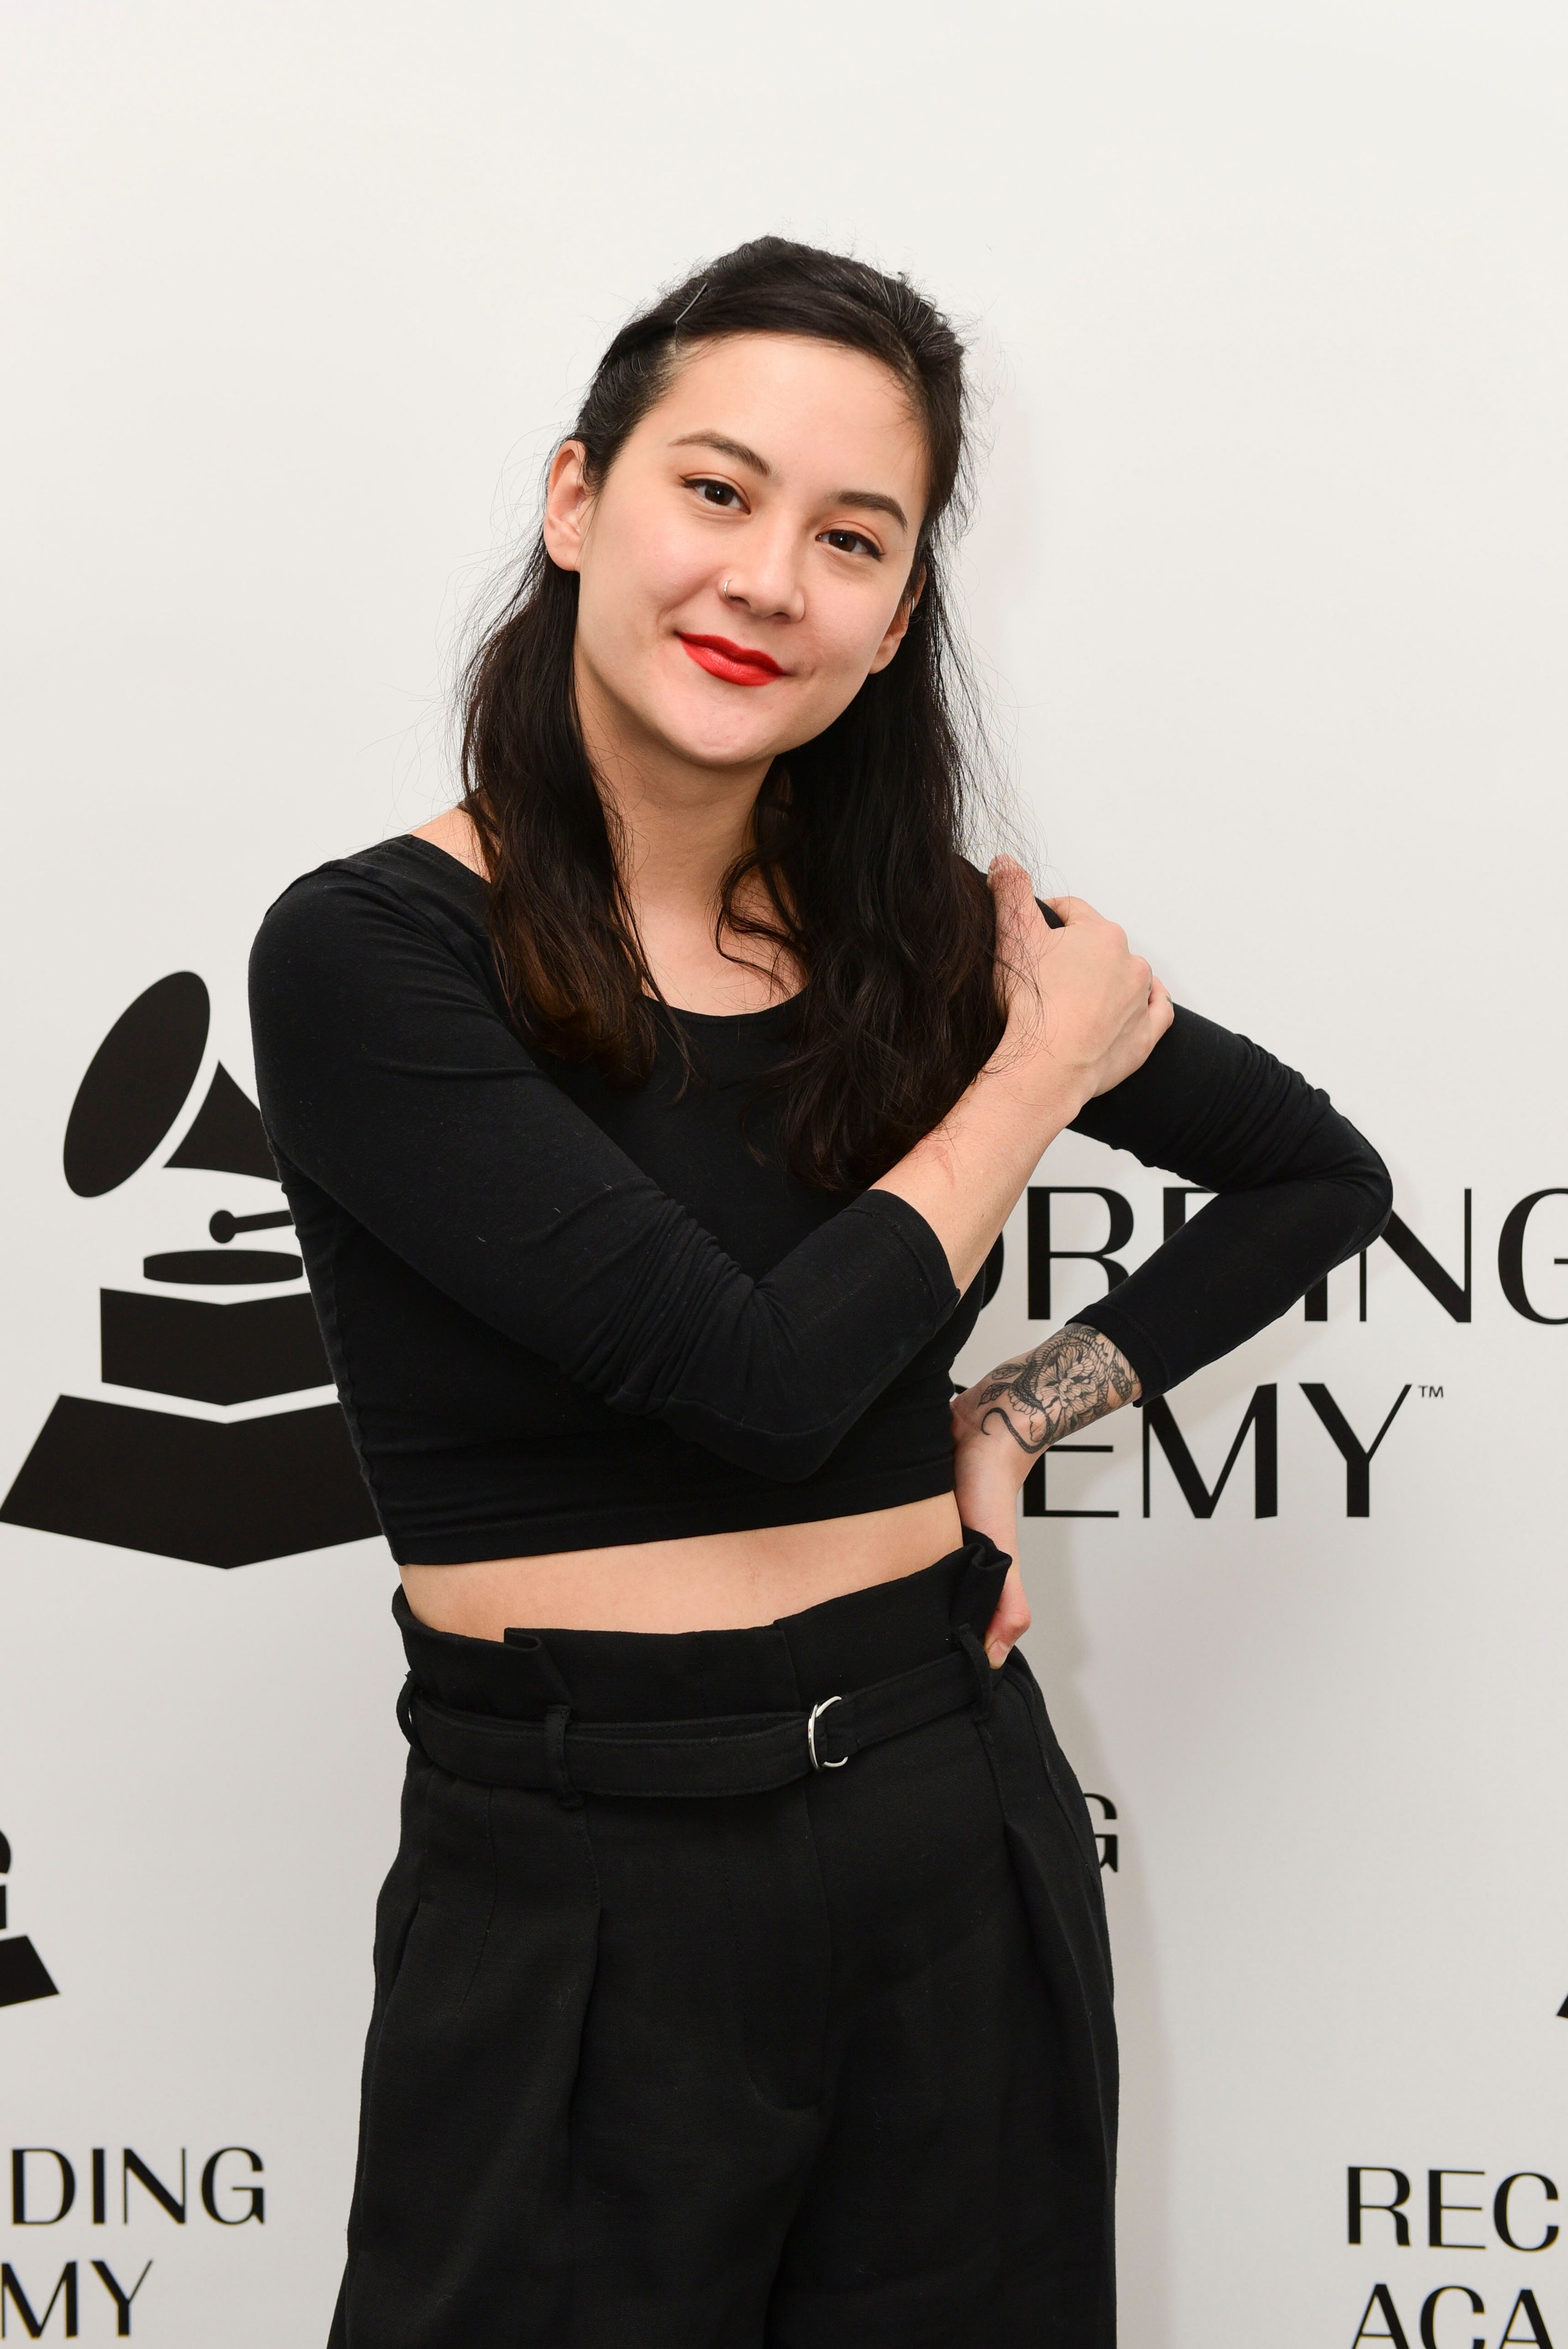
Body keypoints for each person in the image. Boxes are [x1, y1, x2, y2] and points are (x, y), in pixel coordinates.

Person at [249, 237, 1390, 2349]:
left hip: (949, 1812)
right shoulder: (373, 952)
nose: (771, 579)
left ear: (898, 615)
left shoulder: (928, 943)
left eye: (853, 536)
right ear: (579, 498)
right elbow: (756, 1385)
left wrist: (1018, 1408)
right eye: (717, 490)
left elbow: (1319, 1179)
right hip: (586, 1858)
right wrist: (1038, 1066)